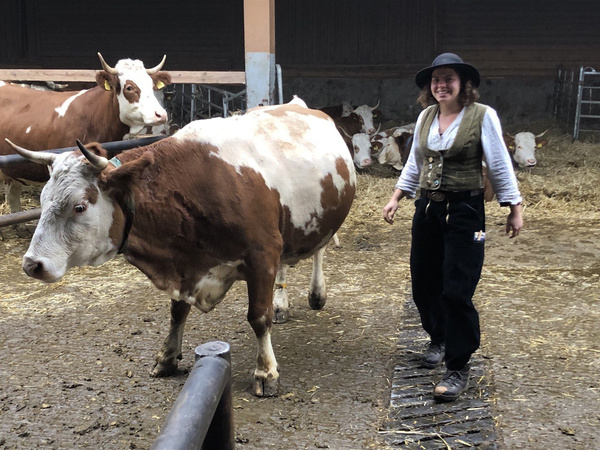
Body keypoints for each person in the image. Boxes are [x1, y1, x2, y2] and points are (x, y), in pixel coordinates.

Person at [382, 53, 523, 402]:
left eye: (448, 79)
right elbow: (415, 163)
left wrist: (514, 207)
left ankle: (458, 366)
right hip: (428, 209)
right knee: (424, 283)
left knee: (458, 289)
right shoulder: (426, 117)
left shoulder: (482, 116)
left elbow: (499, 163)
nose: (441, 85)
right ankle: (439, 338)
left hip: (466, 212)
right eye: (436, 80)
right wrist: (397, 196)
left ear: (463, 83)